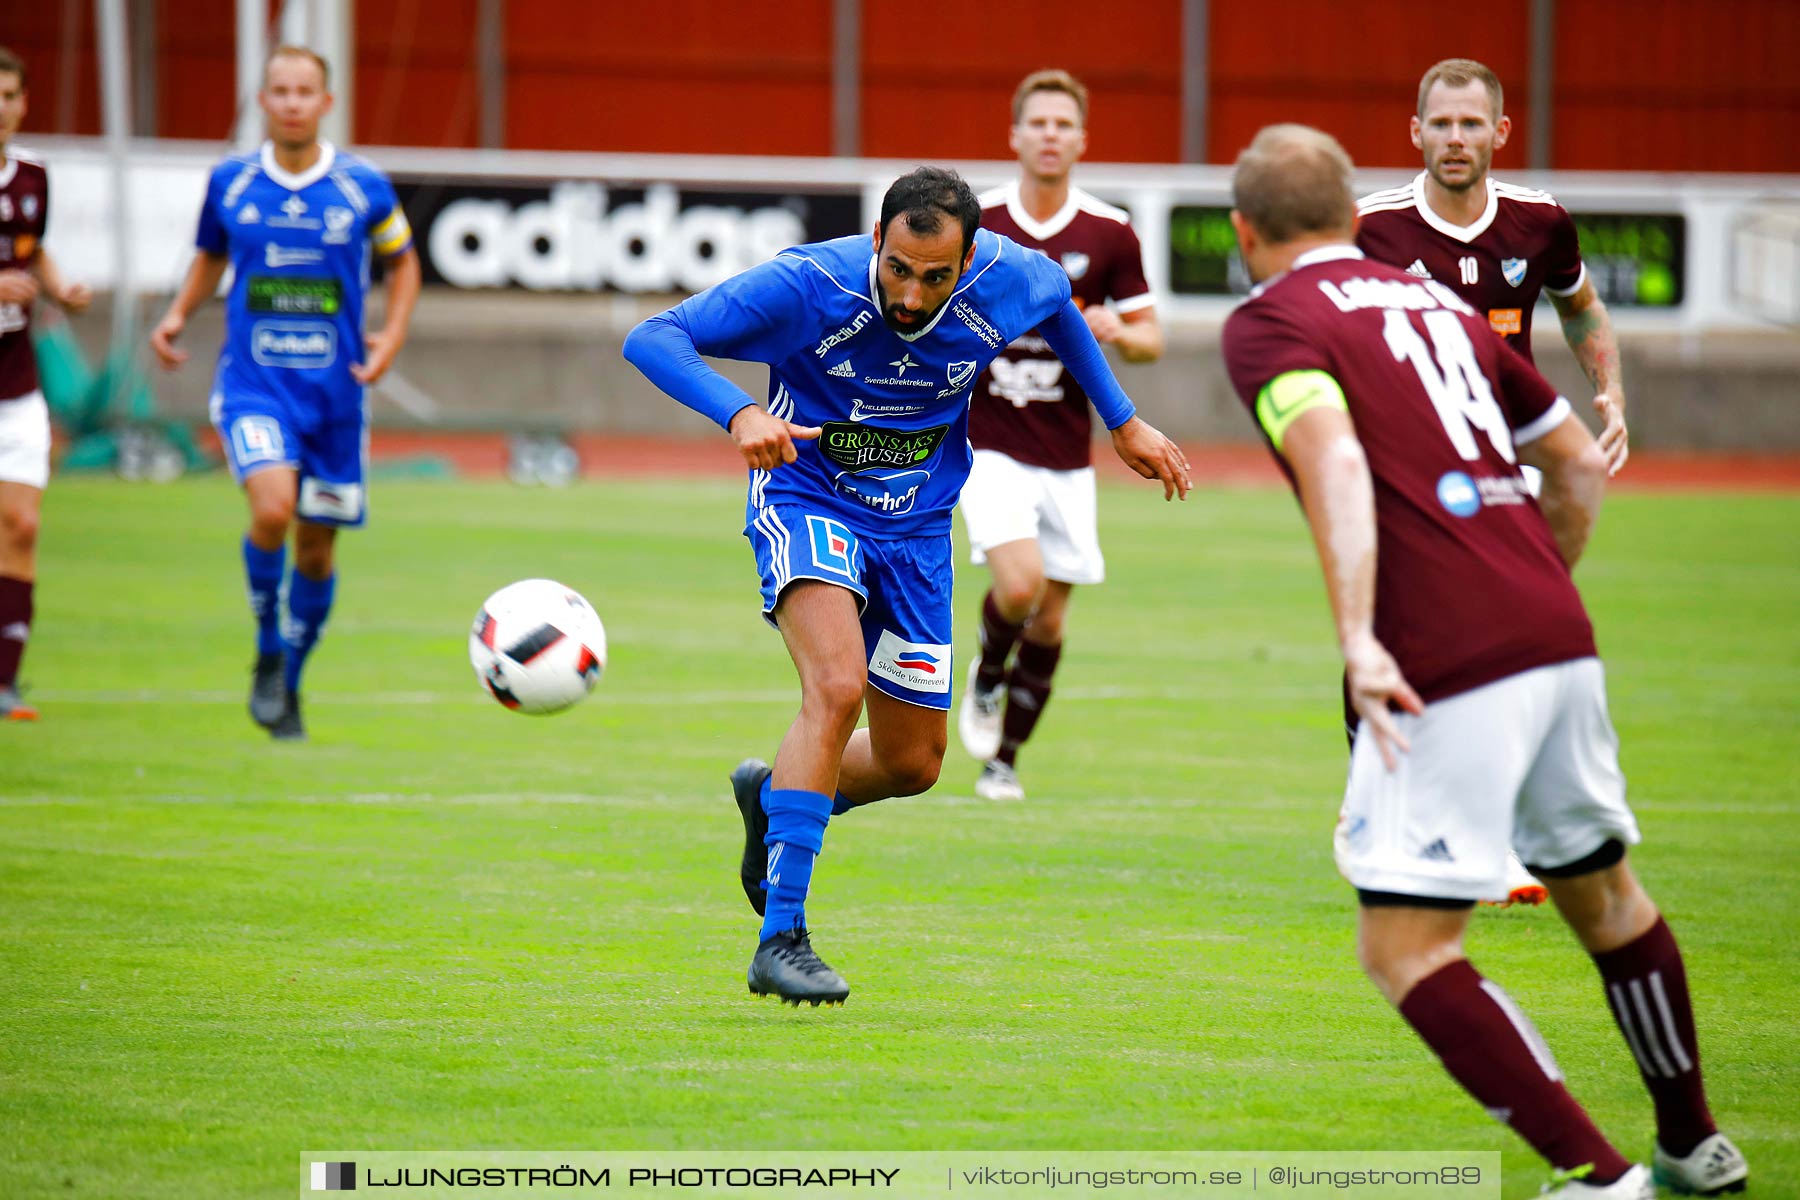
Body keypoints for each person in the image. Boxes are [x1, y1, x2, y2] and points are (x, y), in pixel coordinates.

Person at [1221, 124, 1745, 1200]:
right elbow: (1570, 459)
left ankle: (1600, 1178)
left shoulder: (1272, 320)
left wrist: (1364, 636)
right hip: (1555, 631)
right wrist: (1541, 580)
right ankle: (1693, 1141)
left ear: (1243, 232)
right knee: (1609, 902)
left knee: (1406, 948)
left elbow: (1335, 468)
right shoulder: (1441, 308)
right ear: (1351, 218)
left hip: (1451, 656)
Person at [624, 167, 1189, 1006]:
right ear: (878, 242)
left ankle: (776, 796)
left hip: (918, 529)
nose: (912, 295)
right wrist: (740, 415)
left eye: (935, 277)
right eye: (897, 268)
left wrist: (1122, 418)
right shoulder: (807, 283)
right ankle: (781, 936)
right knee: (837, 683)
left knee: (912, 764)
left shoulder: (1009, 273)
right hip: (808, 497)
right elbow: (655, 336)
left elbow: (1059, 307)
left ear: (967, 263)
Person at [1356, 56, 1631, 907]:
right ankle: (1381, 810)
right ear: (1416, 132)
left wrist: (1608, 391)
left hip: (1510, 459)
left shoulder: (1539, 223)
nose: (1455, 139)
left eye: (1472, 123)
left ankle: (1487, 838)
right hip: (1410, 460)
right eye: (1440, 123)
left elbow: (1580, 305)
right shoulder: (1373, 228)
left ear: (1500, 132)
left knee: (1503, 642)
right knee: (1398, 633)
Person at [151, 45, 420, 742]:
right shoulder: (231, 183)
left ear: (326, 103)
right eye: (281, 90)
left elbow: (403, 260)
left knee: (317, 551)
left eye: (306, 91)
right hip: (254, 389)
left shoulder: (363, 187)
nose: (294, 101)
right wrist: (181, 312)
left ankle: (291, 683)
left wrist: (389, 337)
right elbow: (211, 256)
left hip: (336, 402)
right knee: (272, 508)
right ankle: (267, 645)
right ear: (263, 100)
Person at [956, 69, 1164, 803]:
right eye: (1037, 123)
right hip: (985, 441)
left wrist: (1118, 331)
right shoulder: (976, 219)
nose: (1050, 134)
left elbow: (1151, 338)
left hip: (1067, 454)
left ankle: (1003, 760)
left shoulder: (1109, 231)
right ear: (1015, 135)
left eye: (1063, 124)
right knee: (1019, 586)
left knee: (1049, 618)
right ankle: (984, 676)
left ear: (1082, 138)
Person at [0, 46, 92, 722]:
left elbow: (33, 248)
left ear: (24, 103)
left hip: (16, 380)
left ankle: (5, 681)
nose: (0, 110)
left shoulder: (32, 176)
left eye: (8, 96)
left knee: (22, 524)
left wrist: (59, 285)